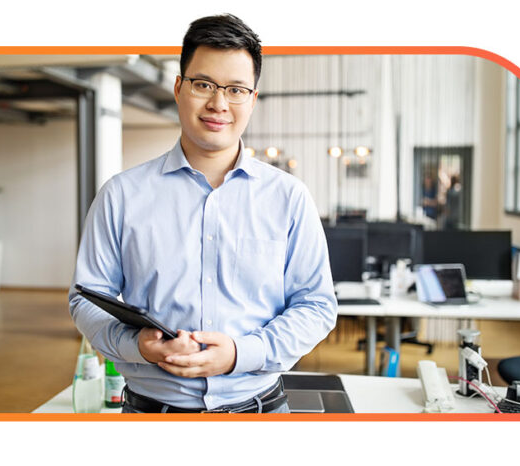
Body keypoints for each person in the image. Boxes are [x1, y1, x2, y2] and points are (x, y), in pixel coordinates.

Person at [68, 14, 337, 414]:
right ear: (179, 88)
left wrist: (239, 353)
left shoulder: (289, 197)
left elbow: (316, 305)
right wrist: (136, 345)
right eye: (204, 84)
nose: (219, 103)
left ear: (253, 99)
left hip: (259, 412)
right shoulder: (120, 195)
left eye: (236, 89)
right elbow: (86, 298)